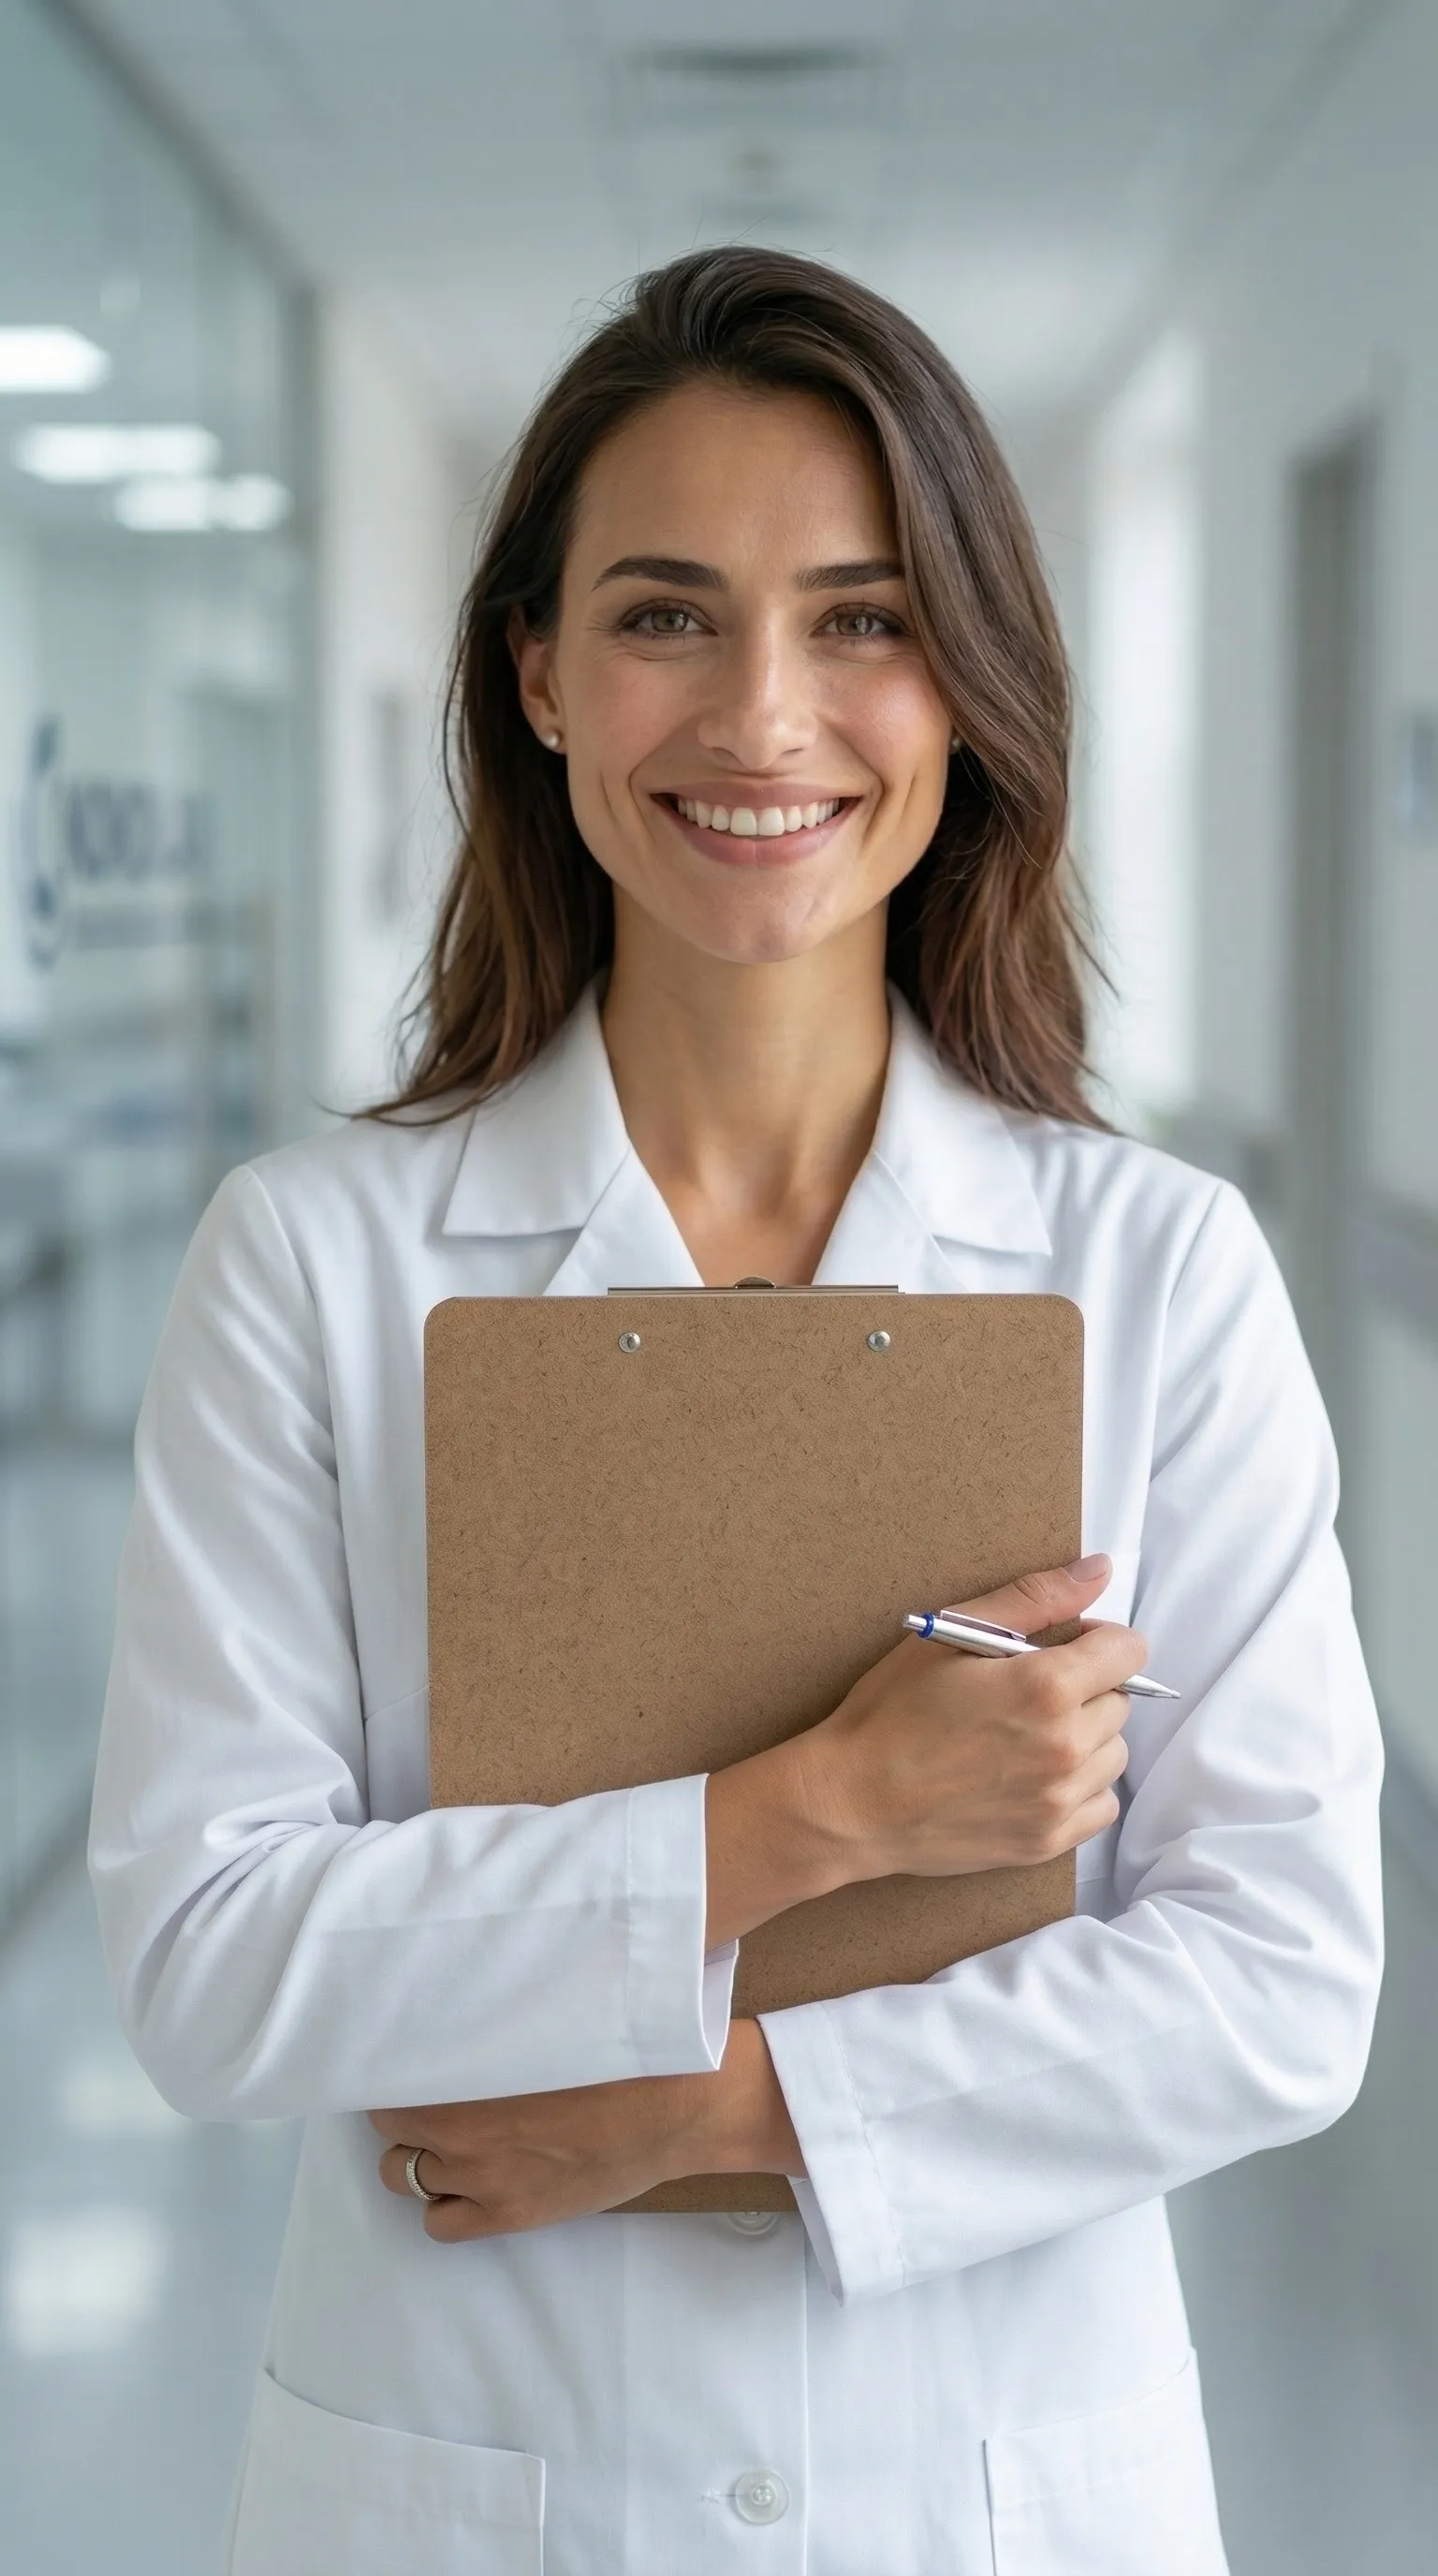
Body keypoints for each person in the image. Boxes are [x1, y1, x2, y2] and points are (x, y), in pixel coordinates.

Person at [89, 247, 1383, 2576]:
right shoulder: (315, 1259)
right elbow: (211, 1958)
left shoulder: (1157, 1266)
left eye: (864, 618)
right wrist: (810, 1810)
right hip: (471, 2470)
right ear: (540, 677)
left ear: (971, 689)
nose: (764, 716)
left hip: (992, 2484)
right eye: (667, 614)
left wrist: (731, 2104)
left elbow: (1283, 1978)